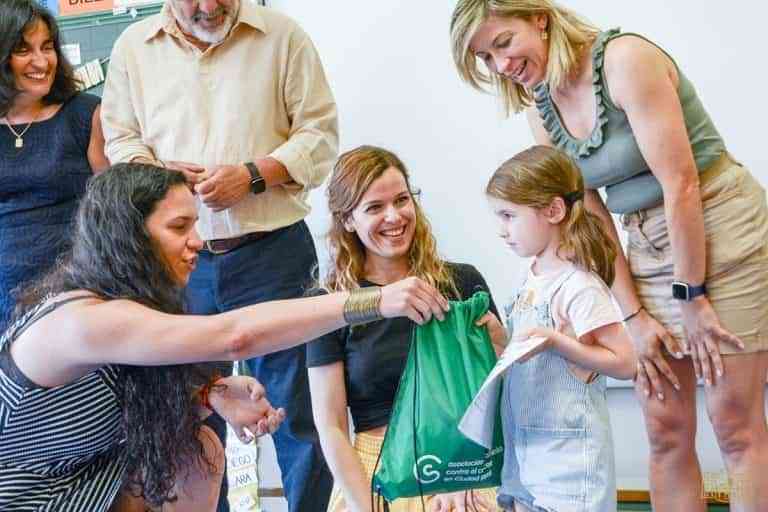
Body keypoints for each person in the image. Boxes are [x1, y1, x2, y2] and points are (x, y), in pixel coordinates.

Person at [450, 2, 768, 510]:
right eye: (486, 58)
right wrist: (633, 315)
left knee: (733, 426)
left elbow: (680, 183)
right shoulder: (539, 107)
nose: (501, 65)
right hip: (644, 238)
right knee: (665, 428)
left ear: (539, 18)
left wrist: (692, 297)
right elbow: (589, 211)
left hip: (718, 223)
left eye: (503, 44)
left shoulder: (625, 60)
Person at [0, 163, 449, 512]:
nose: (196, 242)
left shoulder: (124, 309)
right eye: (179, 228)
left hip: (87, 487)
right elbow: (235, 337)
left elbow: (102, 409)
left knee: (201, 449)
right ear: (128, 237)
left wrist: (208, 394)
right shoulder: (78, 321)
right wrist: (372, 301)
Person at [100, 0, 339, 509]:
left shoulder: (283, 36)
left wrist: (253, 175)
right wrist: (160, 177)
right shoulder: (131, 48)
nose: (207, 7)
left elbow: (319, 137)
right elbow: (120, 141)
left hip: (272, 253)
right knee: (192, 412)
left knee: (297, 412)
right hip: (176, 265)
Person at [306, 145, 503, 512]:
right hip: (374, 473)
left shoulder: (462, 282)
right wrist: (363, 505)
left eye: (401, 200)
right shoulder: (332, 303)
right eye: (374, 208)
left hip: (465, 471)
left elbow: (500, 395)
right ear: (347, 220)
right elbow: (330, 425)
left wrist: (463, 473)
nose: (394, 216)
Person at [483, 145, 635, 511]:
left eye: (508, 216)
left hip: (568, 467)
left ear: (553, 210)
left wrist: (559, 343)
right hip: (527, 459)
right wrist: (501, 340)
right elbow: (531, 357)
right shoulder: (530, 277)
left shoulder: (579, 285)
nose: (502, 230)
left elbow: (626, 362)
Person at [0, 0, 108, 333]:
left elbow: (114, 208)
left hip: (75, 292)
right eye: (23, 50)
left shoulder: (85, 113)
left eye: (47, 47)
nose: (41, 61)